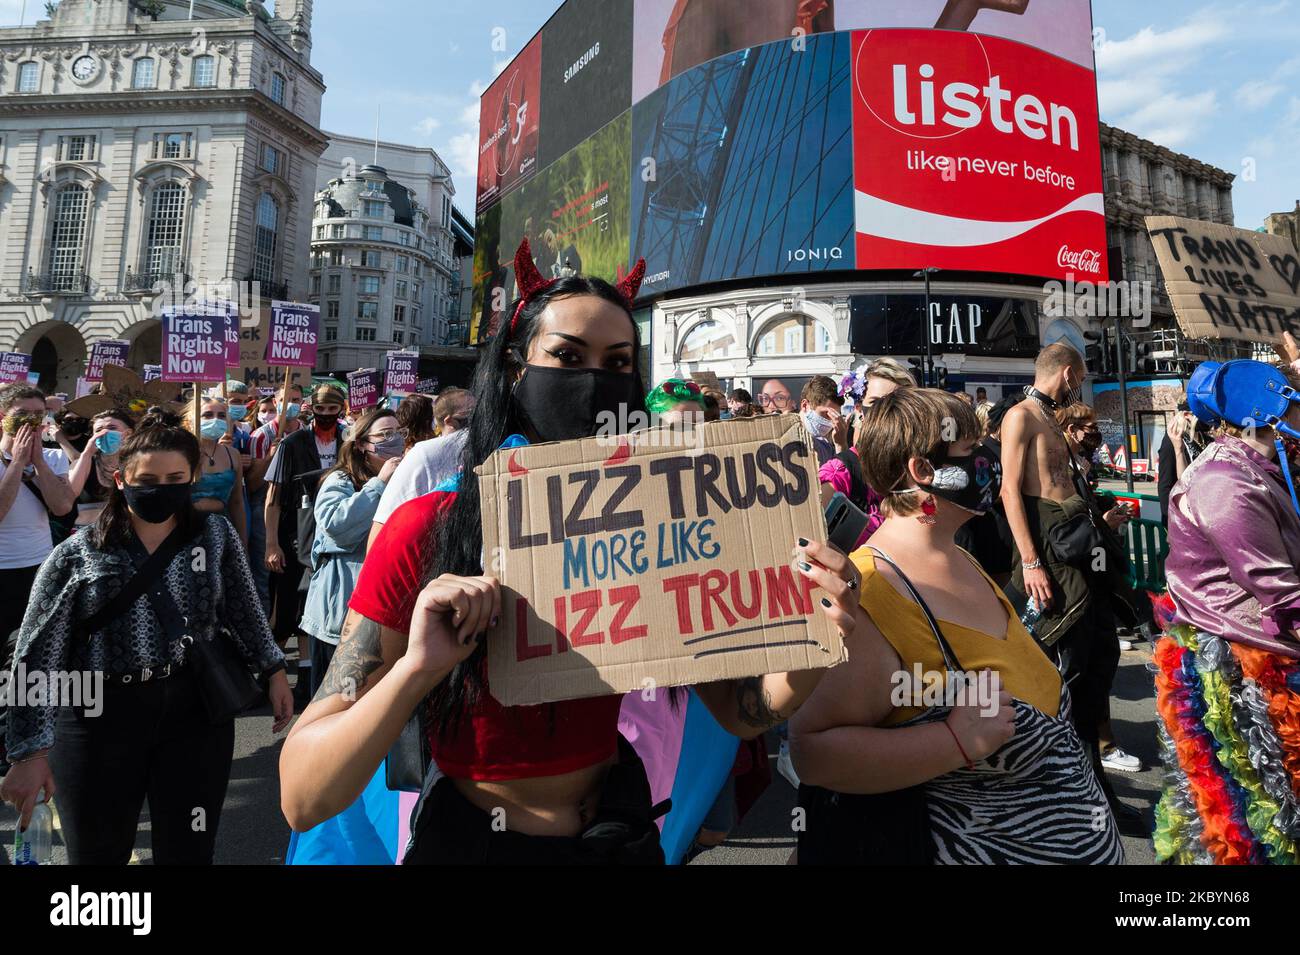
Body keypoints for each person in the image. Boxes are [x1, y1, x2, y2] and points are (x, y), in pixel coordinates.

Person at [279, 241, 860, 864]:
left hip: (622, 835)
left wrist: (815, 635)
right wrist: (417, 669)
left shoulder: (665, 527)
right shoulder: (426, 531)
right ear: (513, 368)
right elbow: (304, 795)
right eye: (567, 356)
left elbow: (744, 710)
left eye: (617, 362)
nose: (593, 382)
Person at [790, 387, 1123, 864]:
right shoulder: (870, 593)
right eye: (971, 452)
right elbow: (812, 751)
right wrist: (954, 742)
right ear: (923, 472)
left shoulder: (959, 555)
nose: (989, 461)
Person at [0, 409, 291, 864]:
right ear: (120, 480)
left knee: (189, 848)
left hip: (194, 712)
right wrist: (27, 752)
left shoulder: (214, 535)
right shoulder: (77, 553)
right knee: (97, 853)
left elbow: (244, 607)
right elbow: (38, 652)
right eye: (148, 477)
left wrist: (272, 667)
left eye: (176, 476)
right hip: (96, 718)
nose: (162, 487)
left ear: (192, 478)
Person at [1154, 359, 1300, 864]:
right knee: (1261, 819)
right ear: (1266, 414)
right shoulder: (1225, 482)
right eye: (1296, 406)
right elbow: (1280, 592)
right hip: (1245, 668)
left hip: (1268, 649)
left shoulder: (1262, 467)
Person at [1000, 346, 1143, 832]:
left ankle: (1092, 785)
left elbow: (1066, 482)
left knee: (1100, 659)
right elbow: (1009, 491)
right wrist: (1031, 561)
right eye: (1078, 378)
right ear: (1068, 373)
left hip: (1080, 549)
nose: (1078, 385)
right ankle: (1080, 797)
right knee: (1070, 671)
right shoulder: (1021, 417)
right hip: (1055, 561)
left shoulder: (1050, 416)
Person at [1055, 401, 1143, 775]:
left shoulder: (1081, 465)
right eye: (1087, 426)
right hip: (1078, 580)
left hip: (1098, 576)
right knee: (1083, 669)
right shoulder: (1059, 470)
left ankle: (1098, 744)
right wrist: (1102, 522)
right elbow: (1069, 532)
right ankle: (1095, 746)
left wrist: (1108, 518)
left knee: (1102, 659)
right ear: (1070, 430)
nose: (1094, 433)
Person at [300, 408, 405, 695]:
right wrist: (379, 484)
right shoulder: (340, 481)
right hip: (337, 618)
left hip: (377, 614)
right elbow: (337, 525)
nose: (394, 440)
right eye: (385, 434)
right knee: (330, 706)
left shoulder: (404, 479)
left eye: (399, 433)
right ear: (360, 444)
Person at [265, 384, 347, 704]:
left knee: (316, 609)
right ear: (311, 409)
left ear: (341, 409)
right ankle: (270, 671)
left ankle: (309, 676)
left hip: (335, 536)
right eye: (321, 409)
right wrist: (272, 543)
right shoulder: (292, 443)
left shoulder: (349, 442)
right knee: (285, 610)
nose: (326, 415)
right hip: (293, 534)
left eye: (333, 409)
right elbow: (273, 499)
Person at [0, 386, 75, 649]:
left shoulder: (54, 458)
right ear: (3, 416)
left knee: (30, 645)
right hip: (2, 568)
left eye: (38, 414)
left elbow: (62, 507)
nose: (30, 420)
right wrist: (18, 461)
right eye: (22, 413)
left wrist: (39, 463)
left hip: (39, 567)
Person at [366, 390, 474, 553]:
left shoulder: (503, 446)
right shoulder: (424, 454)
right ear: (450, 421)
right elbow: (382, 528)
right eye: (470, 419)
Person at [187, 398, 248, 553]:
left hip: (223, 530)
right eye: (207, 415)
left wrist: (243, 543)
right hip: (187, 529)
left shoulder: (232, 455)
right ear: (191, 419)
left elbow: (237, 502)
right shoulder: (181, 453)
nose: (215, 419)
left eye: (221, 415)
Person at [67, 408, 135, 528]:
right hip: (85, 532)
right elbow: (68, 496)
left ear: (128, 433)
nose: (104, 433)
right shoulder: (84, 462)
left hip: (125, 531)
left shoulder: (137, 464)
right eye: (98, 430)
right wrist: (87, 453)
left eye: (112, 428)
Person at [1158, 402, 1210, 523]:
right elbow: (1165, 484)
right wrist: (1169, 519)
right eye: (1203, 415)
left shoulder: (1205, 438)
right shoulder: (1172, 441)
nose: (1208, 419)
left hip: (1204, 512)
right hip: (1184, 514)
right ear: (1187, 415)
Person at [800, 376, 845, 467]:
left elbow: (839, 476)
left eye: (834, 415)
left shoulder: (826, 446)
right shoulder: (785, 438)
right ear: (805, 405)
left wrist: (841, 444)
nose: (831, 421)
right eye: (826, 414)